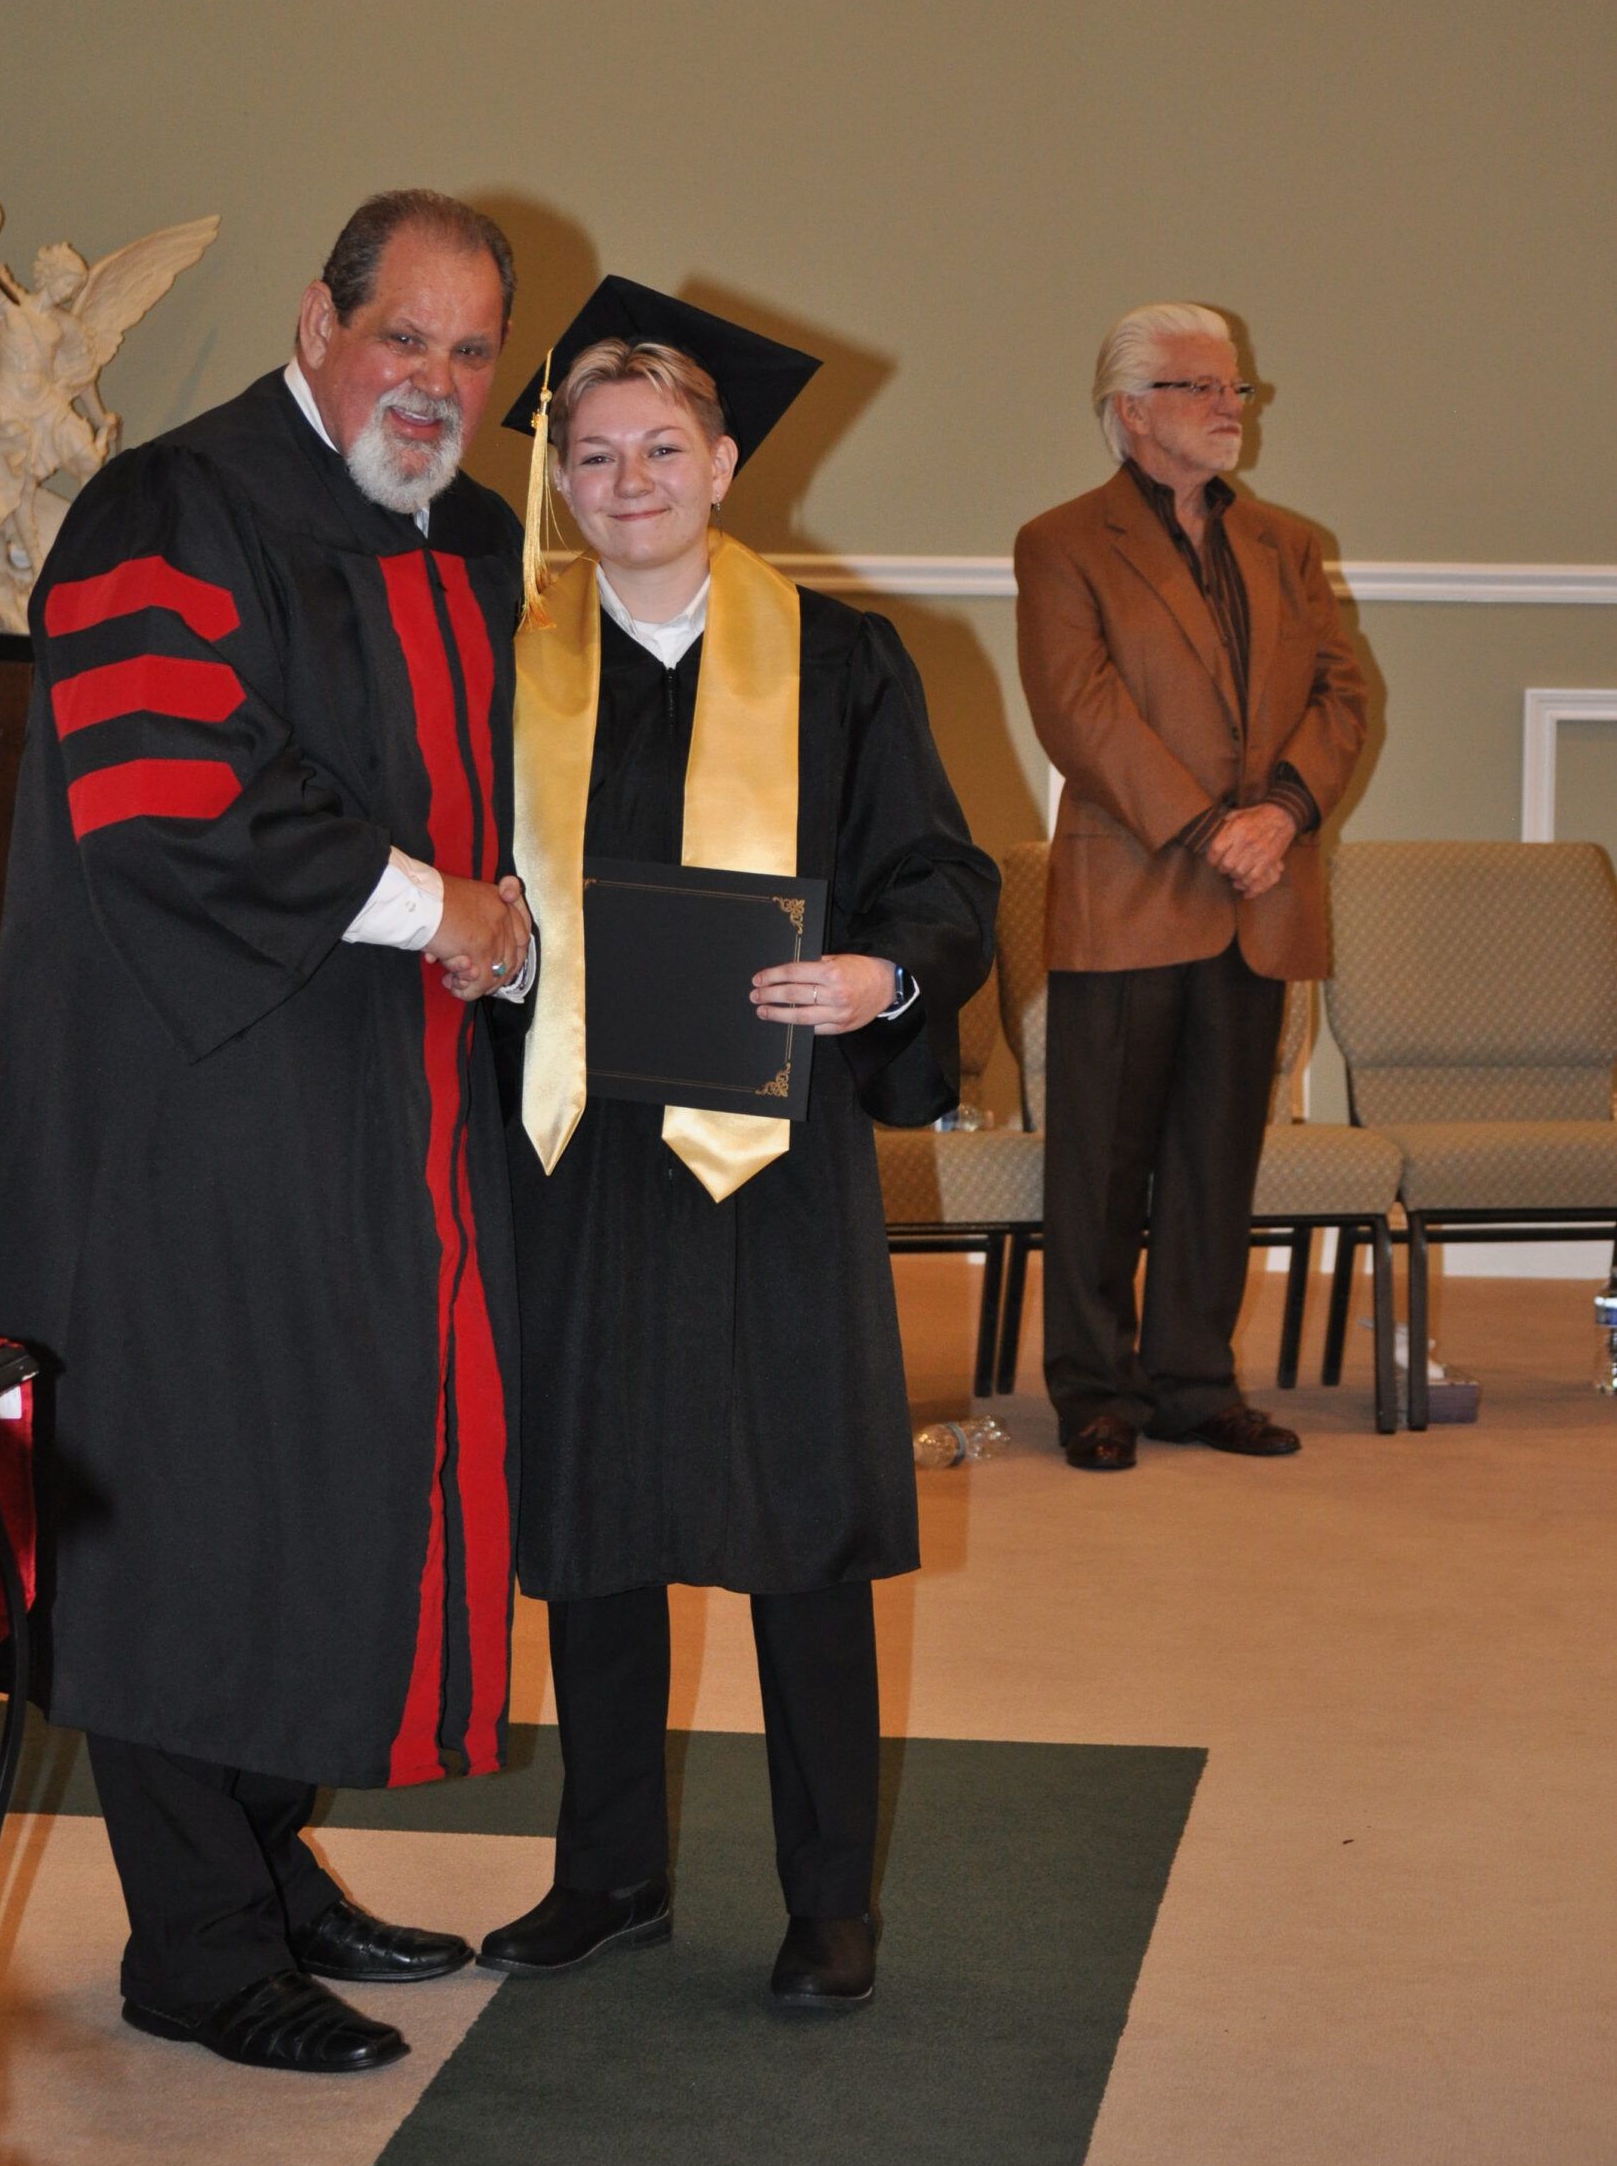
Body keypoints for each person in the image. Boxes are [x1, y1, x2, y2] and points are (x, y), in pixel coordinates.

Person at [0, 190, 533, 2072]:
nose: (434, 385)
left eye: (469, 353)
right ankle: (195, 1947)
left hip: (383, 1106)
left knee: (343, 1478)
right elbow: (163, 782)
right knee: (197, 1501)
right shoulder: (169, 511)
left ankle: (272, 1868)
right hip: (186, 1115)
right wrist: (431, 906)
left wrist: (522, 927)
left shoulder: (466, 532)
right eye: (405, 339)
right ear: (317, 317)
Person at [477, 280, 997, 2008]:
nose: (626, 480)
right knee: (597, 1516)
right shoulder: (508, 662)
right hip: (570, 1143)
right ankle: (610, 1868)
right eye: (596, 455)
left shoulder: (840, 659)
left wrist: (881, 975)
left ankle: (829, 1895)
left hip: (771, 1151)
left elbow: (942, 879)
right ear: (564, 480)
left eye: (661, 449)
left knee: (801, 1529)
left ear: (720, 463)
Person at [1014, 301, 1367, 1473]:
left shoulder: (1283, 544)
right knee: (1100, 1161)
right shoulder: (1061, 542)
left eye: (1235, 389)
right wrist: (1209, 826)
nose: (1230, 407)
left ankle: (1192, 1380)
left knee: (1219, 1156)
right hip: (1129, 889)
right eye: (1202, 387)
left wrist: (1282, 816)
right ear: (1129, 411)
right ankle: (1093, 1389)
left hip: (1258, 893)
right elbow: (1080, 711)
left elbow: (1342, 696)